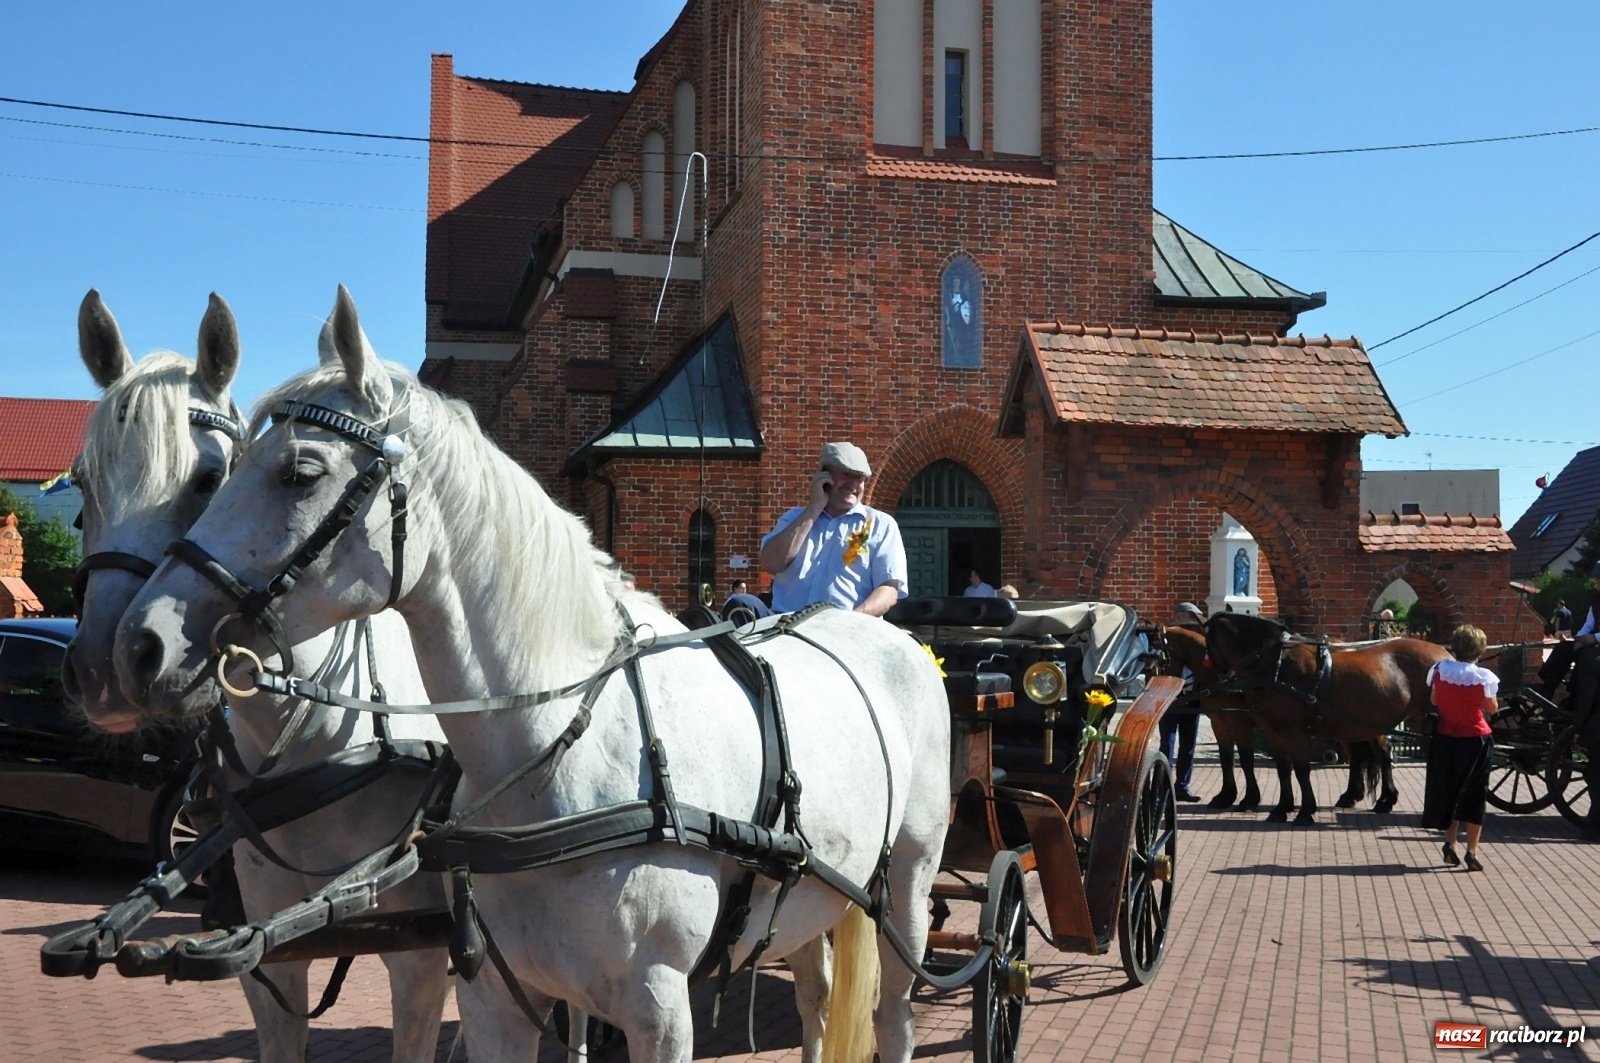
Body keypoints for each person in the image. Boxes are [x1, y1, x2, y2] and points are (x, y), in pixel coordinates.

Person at [758, 441, 908, 616]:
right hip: (785, 625)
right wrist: (814, 508)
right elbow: (771, 564)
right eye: (845, 475)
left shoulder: (880, 524)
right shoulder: (794, 518)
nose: (852, 485)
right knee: (742, 603)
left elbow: (889, 590)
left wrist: (853, 620)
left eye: (859, 478)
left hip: (844, 629)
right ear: (824, 476)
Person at [1421, 624, 1497, 871]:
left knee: (1450, 790)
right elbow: (1492, 708)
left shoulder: (1441, 670)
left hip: (1445, 738)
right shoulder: (1482, 677)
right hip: (1475, 740)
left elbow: (1434, 700)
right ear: (1480, 650)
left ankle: (1449, 842)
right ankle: (1471, 851)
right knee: (1475, 795)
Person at [1160, 602, 1207, 802]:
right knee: (1167, 744)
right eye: (1191, 617)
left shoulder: (1201, 644)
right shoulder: (1166, 640)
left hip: (1192, 699)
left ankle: (1182, 787)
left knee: (1188, 746)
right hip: (1170, 700)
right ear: (1180, 616)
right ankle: (1163, 788)